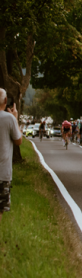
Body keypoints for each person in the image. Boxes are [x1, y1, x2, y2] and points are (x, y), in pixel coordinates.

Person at [0, 90, 22, 222]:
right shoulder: (9, 119)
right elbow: (18, 140)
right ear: (5, 100)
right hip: (2, 173)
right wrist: (15, 118)